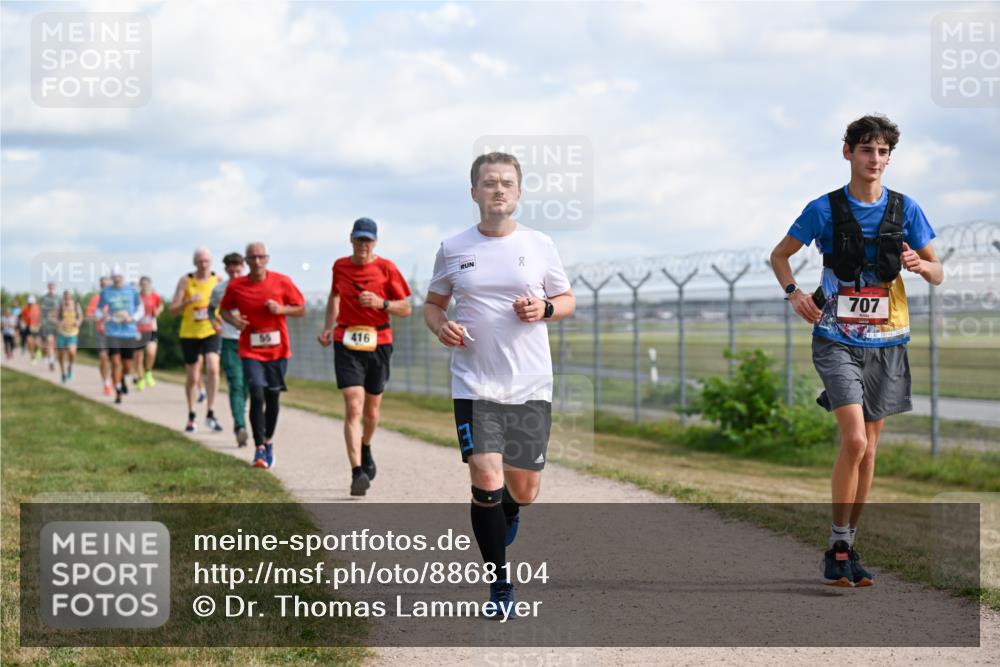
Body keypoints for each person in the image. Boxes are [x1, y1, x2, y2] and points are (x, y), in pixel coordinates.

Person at [770, 114, 942, 588]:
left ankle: (845, 544)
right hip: (834, 337)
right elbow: (779, 254)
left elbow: (938, 270)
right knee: (855, 442)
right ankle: (839, 545)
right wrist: (794, 293)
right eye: (866, 149)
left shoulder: (906, 210)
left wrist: (920, 266)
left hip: (888, 341)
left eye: (883, 151)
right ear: (847, 152)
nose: (875, 159)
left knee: (870, 454)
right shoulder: (823, 209)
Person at [424, 152, 575, 615]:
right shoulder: (453, 248)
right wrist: (440, 326)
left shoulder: (540, 244)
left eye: (507, 183)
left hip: (529, 385)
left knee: (523, 489)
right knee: (485, 479)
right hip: (474, 384)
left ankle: (509, 509)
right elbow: (433, 304)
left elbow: (566, 299)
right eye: (489, 183)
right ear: (475, 193)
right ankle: (500, 585)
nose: (499, 190)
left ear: (520, 193)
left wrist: (545, 310)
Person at [318, 218, 413, 496]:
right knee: (353, 404)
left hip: (378, 341)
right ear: (351, 239)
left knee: (371, 411)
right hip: (346, 340)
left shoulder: (387, 268)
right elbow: (334, 297)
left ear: (375, 242)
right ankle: (357, 472)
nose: (363, 245)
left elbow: (406, 308)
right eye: (358, 239)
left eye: (367, 240)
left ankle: (366, 445)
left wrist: (381, 303)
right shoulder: (340, 266)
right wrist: (328, 328)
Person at [220, 242, 305, 469]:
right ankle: (258, 448)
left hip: (278, 351)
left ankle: (268, 442)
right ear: (246, 261)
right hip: (250, 349)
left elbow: (301, 308)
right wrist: (234, 321)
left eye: (260, 257)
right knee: (256, 393)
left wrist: (281, 309)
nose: (256, 261)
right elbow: (223, 310)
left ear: (267, 259)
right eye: (252, 258)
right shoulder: (237, 286)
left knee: (272, 396)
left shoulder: (282, 281)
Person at [169, 248, 224, 433]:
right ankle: (192, 415)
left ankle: (211, 412)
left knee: (213, 368)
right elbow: (172, 310)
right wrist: (187, 301)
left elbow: (227, 305)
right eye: (200, 261)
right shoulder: (186, 281)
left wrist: (223, 320)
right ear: (194, 263)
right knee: (192, 377)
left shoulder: (218, 281)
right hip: (190, 333)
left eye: (206, 260)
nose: (203, 264)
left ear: (211, 262)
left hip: (211, 330)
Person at [210, 252, 250, 447]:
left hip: (251, 342)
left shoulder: (251, 286)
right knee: (236, 383)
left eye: (238, 270)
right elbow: (211, 309)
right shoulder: (219, 289)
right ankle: (240, 427)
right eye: (231, 271)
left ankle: (240, 410)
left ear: (243, 268)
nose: (235, 274)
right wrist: (214, 323)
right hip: (229, 342)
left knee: (248, 386)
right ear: (226, 270)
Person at [98, 268, 143, 404]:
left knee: (128, 366)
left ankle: (122, 379)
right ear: (112, 278)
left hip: (129, 331)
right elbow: (98, 310)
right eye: (115, 277)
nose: (117, 279)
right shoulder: (106, 292)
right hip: (112, 331)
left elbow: (141, 308)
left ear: (123, 277)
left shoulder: (132, 291)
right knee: (116, 362)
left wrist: (133, 318)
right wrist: (102, 316)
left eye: (119, 276)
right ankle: (117, 391)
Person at [134, 276, 163, 390]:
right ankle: (140, 378)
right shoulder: (136, 297)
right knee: (138, 356)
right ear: (140, 285)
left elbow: (160, 305)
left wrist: (158, 311)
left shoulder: (154, 295)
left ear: (150, 285)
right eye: (143, 284)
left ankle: (148, 372)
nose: (145, 286)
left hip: (151, 328)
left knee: (151, 352)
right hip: (138, 329)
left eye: (147, 284)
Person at [86, 277, 114, 394]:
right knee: (103, 358)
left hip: (115, 333)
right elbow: (89, 315)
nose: (104, 287)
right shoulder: (96, 299)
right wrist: (99, 318)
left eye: (107, 285)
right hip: (101, 332)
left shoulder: (117, 298)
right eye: (102, 285)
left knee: (116, 360)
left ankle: (114, 379)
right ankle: (106, 383)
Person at [55, 290, 83, 382]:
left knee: (72, 352)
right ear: (63, 297)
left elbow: (81, 316)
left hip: (73, 333)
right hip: (62, 333)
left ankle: (70, 367)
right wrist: (59, 322)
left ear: (71, 296)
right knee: (61, 355)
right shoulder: (59, 305)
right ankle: (63, 373)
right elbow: (53, 317)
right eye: (65, 295)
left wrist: (78, 322)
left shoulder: (76, 305)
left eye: (69, 296)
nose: (67, 297)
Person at [39, 282, 61, 371]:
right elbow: (41, 311)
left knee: (55, 345)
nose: (51, 288)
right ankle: (51, 361)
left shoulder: (58, 298)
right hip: (47, 324)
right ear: (48, 288)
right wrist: (41, 322)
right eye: (50, 287)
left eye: (53, 287)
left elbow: (61, 310)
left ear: (55, 288)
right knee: (49, 342)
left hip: (56, 324)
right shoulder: (44, 298)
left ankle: (51, 357)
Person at [20, 295, 41, 364]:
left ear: (34, 302)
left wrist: (39, 325)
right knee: (30, 343)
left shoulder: (38, 308)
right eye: (29, 303)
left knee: (37, 344)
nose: (30, 304)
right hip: (28, 327)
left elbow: (41, 318)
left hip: (36, 327)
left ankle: (38, 351)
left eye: (32, 303)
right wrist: (23, 323)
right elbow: (22, 317)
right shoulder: (25, 309)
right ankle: (33, 358)